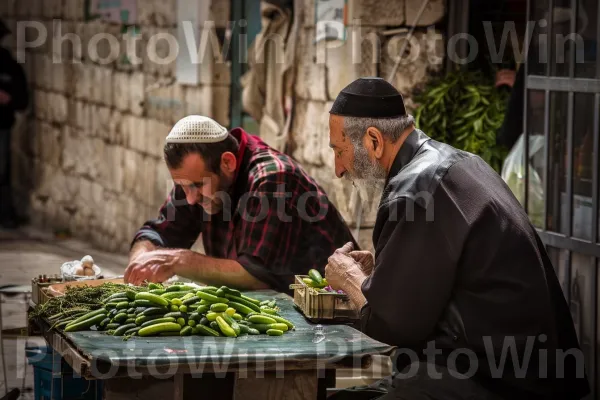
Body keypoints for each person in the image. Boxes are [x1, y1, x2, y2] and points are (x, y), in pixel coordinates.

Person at [324, 77, 590, 400]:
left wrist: (350, 279)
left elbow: (391, 326)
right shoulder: (451, 163)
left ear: (374, 141)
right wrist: (385, 266)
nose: (338, 169)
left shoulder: (415, 190)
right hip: (521, 374)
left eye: (339, 151)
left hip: (498, 381)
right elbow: (452, 272)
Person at [124, 115, 357, 294]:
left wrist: (177, 261)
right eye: (182, 187)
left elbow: (254, 275)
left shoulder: (273, 178)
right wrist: (141, 260)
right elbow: (155, 233)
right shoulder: (196, 180)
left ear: (227, 162)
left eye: (196, 186)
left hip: (332, 318)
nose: (191, 198)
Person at [0, 19, 29, 229]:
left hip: (2, 125)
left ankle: (5, 214)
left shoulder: (8, 65)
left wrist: (7, 99)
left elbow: (21, 101)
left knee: (1, 171)